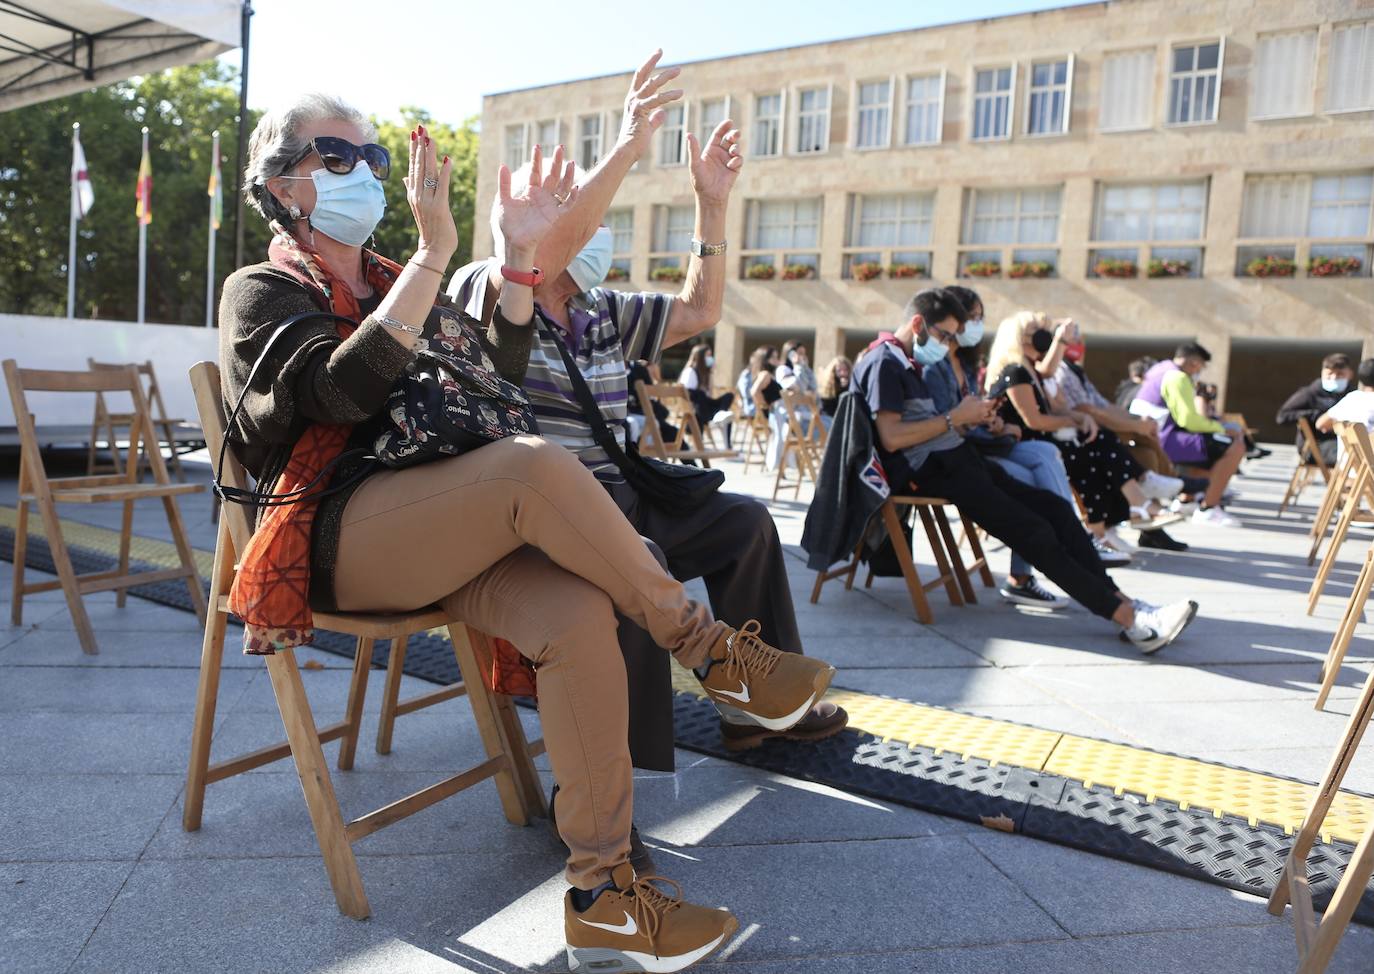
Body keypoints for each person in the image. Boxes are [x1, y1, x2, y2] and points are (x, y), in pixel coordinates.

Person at [227, 91, 838, 972]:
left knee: (579, 614)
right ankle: (709, 651)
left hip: (437, 523)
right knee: (532, 462)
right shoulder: (263, 288)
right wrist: (440, 253)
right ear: (281, 184)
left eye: (374, 160)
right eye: (336, 156)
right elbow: (336, 395)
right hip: (337, 538)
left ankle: (603, 895)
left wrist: (514, 261)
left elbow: (491, 381)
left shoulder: (401, 275)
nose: (365, 174)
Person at [446, 53, 847, 773]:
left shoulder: (603, 311)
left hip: (624, 494)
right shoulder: (487, 285)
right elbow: (541, 255)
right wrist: (630, 145)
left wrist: (713, 203)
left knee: (746, 526)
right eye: (584, 216)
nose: (599, 229)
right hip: (551, 516)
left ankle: (754, 712)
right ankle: (619, 777)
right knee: (641, 564)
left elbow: (701, 308)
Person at [852, 288, 1198, 652]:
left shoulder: (906, 361)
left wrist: (969, 420)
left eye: (952, 337)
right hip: (931, 470)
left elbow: (931, 423)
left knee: (1056, 510)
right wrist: (956, 418)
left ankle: (1123, 599)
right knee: (1031, 530)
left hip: (956, 458)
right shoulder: (883, 363)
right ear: (918, 323)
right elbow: (891, 438)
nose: (948, 343)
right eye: (944, 335)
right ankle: (1128, 620)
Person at [922, 289, 1083, 602]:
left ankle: (1060, 546)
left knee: (1045, 453)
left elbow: (966, 418)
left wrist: (991, 423)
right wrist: (982, 423)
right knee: (1029, 477)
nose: (977, 323)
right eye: (973, 317)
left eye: (982, 317)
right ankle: (1050, 556)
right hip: (963, 456)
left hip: (989, 443)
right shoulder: (942, 365)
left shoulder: (967, 365)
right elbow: (948, 423)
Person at [986, 312, 1179, 557]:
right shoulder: (1015, 372)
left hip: (1041, 442)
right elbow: (1033, 421)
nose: (1042, 335)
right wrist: (1074, 420)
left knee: (1097, 446)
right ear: (1017, 338)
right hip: (1026, 445)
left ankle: (1111, 523)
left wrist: (1079, 419)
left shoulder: (1031, 371)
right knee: (1090, 453)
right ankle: (1131, 508)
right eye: (1035, 330)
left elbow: (1053, 398)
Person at [1049, 337, 1195, 553]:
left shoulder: (1074, 372)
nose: (1077, 345)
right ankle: (1144, 499)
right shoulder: (1058, 372)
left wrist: (1138, 423)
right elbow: (1088, 411)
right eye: (1069, 339)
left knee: (1144, 446)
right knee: (1115, 447)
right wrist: (1134, 425)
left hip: (1088, 432)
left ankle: (1148, 505)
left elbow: (1102, 407)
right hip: (1075, 439)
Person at [1131, 343, 1247, 527]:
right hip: (1161, 440)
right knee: (1233, 445)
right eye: (1201, 366)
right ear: (1194, 362)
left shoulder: (1159, 369)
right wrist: (1222, 428)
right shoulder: (1177, 377)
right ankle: (1208, 508)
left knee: (1208, 446)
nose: (1199, 371)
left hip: (1148, 436)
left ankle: (1188, 501)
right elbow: (1189, 420)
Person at [1277, 353, 1354, 467]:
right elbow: (1282, 417)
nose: (1334, 378)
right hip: (1316, 445)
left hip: (1343, 440)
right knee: (1348, 456)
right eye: (1330, 374)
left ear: (1350, 374)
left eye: (1340, 374)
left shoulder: (1353, 394)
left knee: (1361, 452)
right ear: (1322, 373)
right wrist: (1316, 416)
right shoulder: (1310, 393)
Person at [1316, 358, 1374, 447]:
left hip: (1348, 458)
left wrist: (1345, 431)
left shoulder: (1352, 398)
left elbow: (1320, 424)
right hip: (1369, 459)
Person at [679, 343, 734, 432]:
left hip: (706, 404)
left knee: (729, 396)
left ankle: (719, 415)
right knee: (700, 394)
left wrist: (711, 374)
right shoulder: (690, 371)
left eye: (710, 355)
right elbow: (686, 393)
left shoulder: (707, 373)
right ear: (700, 357)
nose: (710, 358)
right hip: (697, 407)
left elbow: (710, 394)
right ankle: (711, 419)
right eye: (708, 355)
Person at [817, 355, 853, 421]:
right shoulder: (828, 387)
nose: (843, 373)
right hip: (830, 419)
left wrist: (846, 388)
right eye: (839, 370)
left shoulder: (851, 384)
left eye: (845, 370)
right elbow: (827, 409)